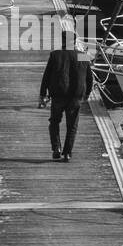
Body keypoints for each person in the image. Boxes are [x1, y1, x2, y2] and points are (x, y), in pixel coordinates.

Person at [39, 29, 92, 161]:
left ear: (62, 41)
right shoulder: (83, 55)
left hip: (58, 94)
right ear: (74, 42)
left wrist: (42, 94)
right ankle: (67, 153)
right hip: (76, 96)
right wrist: (87, 94)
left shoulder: (55, 55)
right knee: (72, 125)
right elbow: (89, 78)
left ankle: (56, 148)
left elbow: (46, 76)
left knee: (54, 121)